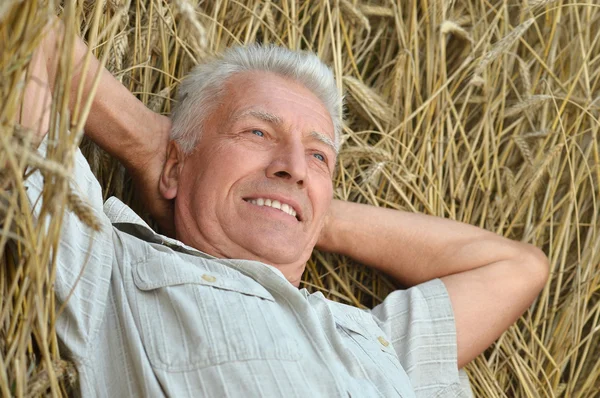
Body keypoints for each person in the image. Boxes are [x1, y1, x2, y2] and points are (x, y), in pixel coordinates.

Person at [19, 18, 549, 397]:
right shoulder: (111, 270)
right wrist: (147, 144)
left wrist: (310, 209)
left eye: (318, 155)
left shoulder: (369, 339)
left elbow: (515, 267)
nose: (294, 164)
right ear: (180, 167)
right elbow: (29, 35)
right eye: (257, 131)